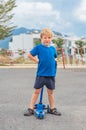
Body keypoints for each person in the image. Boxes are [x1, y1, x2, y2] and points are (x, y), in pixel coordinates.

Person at [24, 28, 61, 116]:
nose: (47, 39)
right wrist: (36, 60)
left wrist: (55, 62)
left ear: (51, 38)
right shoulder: (38, 47)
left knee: (51, 93)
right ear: (41, 38)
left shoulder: (53, 49)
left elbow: (55, 57)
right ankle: (31, 109)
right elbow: (29, 54)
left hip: (51, 74)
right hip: (41, 74)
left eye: (49, 37)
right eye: (45, 37)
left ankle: (52, 108)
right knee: (36, 91)